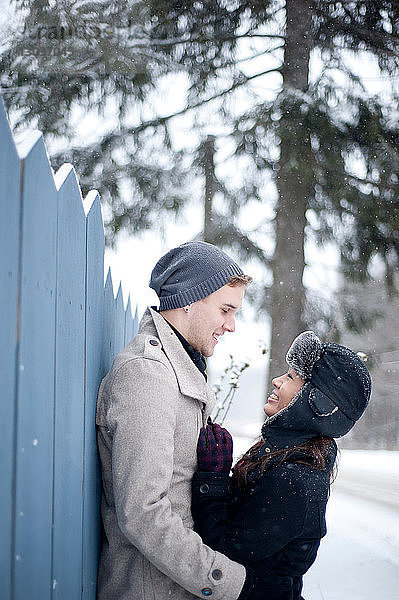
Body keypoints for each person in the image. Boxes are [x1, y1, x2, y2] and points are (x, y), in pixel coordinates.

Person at [96, 241, 289, 600]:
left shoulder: (178, 369)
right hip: (149, 590)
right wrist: (232, 583)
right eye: (225, 310)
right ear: (189, 300)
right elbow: (142, 512)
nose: (231, 326)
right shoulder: (147, 376)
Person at [192, 331, 372, 600]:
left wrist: (212, 480)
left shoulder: (296, 479)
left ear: (316, 404)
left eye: (290, 378)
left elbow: (224, 551)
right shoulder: (287, 457)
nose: (277, 381)